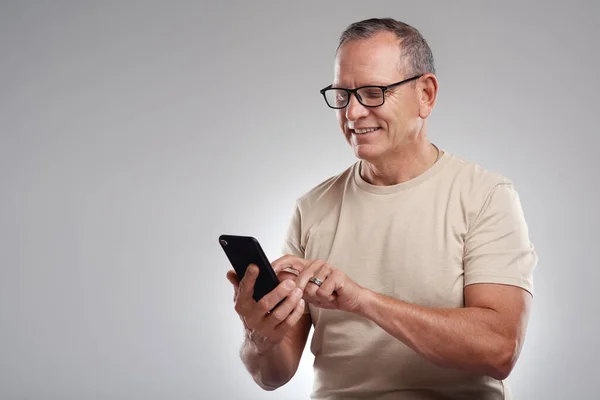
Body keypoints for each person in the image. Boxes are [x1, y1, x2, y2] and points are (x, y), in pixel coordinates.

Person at [226, 17, 536, 399]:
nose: (353, 113)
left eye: (373, 92)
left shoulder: (486, 196)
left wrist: (364, 301)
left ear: (426, 94)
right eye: (342, 95)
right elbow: (274, 376)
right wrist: (258, 336)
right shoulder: (312, 208)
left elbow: (499, 349)